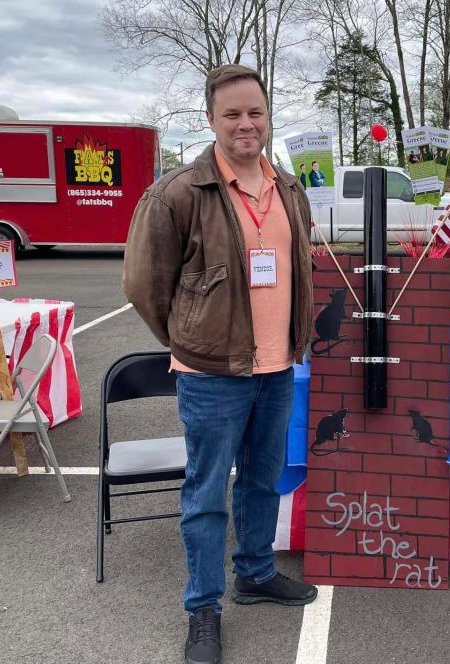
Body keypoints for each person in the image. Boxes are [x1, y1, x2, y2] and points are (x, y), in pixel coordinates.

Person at [123, 63, 316, 664]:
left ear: (268, 117)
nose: (245, 124)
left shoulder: (288, 191)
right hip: (212, 377)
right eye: (231, 113)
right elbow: (143, 285)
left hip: (277, 369)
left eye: (255, 112)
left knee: (262, 481)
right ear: (210, 119)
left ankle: (254, 574)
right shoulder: (179, 193)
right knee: (206, 495)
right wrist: (189, 341)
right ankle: (202, 609)